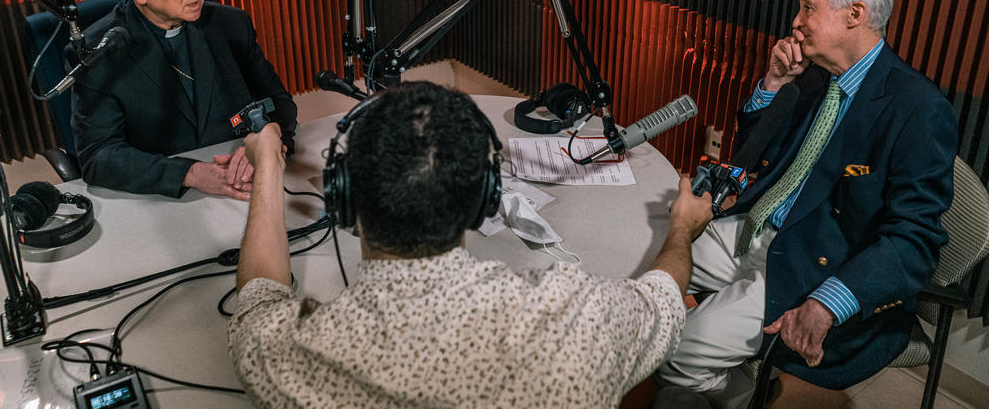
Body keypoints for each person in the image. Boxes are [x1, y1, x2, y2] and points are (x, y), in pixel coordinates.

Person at [229, 82, 714, 408]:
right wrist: (680, 228)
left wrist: (268, 164)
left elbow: (258, 297)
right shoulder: (580, 321)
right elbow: (663, 298)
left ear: (344, 197)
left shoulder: (295, 356)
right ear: (484, 197)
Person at [657, 0, 957, 407]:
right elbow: (757, 153)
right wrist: (774, 83)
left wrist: (830, 301)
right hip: (754, 229)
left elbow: (915, 240)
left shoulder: (918, 108)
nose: (796, 22)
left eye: (807, 7)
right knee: (647, 268)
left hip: (814, 264)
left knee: (673, 354)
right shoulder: (817, 78)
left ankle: (755, 397)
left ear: (854, 14)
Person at [69, 0, 297, 198]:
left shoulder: (231, 24)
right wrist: (190, 173)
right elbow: (99, 156)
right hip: (165, 200)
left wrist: (268, 138)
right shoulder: (98, 51)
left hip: (245, 183)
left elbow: (278, 101)